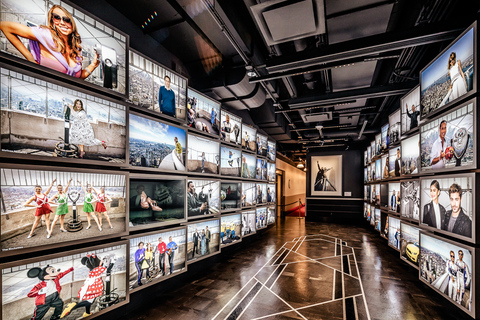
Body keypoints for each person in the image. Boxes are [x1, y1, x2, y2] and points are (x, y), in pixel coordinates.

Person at [0, 5, 100, 78]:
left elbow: (76, 78)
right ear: (52, 21)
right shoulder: (46, 35)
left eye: (66, 19)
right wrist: (30, 59)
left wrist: (93, 65)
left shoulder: (76, 48)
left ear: (72, 23)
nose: (62, 22)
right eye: (57, 17)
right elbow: (5, 26)